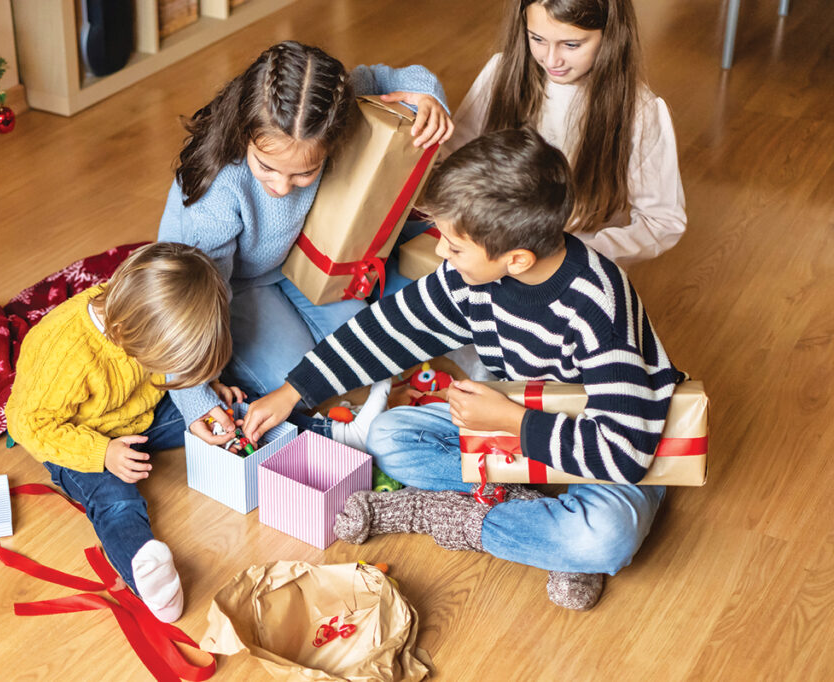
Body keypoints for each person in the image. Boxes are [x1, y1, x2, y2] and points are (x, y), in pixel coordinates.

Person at [243, 128, 685, 611]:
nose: (440, 255)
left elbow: (625, 454)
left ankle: (447, 516)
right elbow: (389, 329)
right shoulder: (469, 278)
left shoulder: (599, 306)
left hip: (605, 447)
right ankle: (537, 524)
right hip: (514, 427)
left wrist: (511, 422)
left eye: (454, 247)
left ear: (515, 259)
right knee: (389, 437)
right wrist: (294, 391)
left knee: (605, 539)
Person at [157, 40, 453, 444]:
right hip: (228, 289)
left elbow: (386, 77)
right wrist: (192, 397)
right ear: (245, 130)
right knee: (292, 380)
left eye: (303, 174)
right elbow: (180, 308)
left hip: (300, 262)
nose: (281, 187)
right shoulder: (216, 197)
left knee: (370, 353)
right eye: (267, 168)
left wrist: (427, 95)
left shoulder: (339, 106)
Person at [387, 0, 686, 379]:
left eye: (571, 45)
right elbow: (453, 156)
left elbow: (663, 222)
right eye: (537, 39)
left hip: (567, 287)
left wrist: (574, 251)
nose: (552, 59)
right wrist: (423, 122)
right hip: (492, 262)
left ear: (611, 35)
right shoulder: (502, 73)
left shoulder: (639, 113)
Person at [5, 242, 234, 623]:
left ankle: (315, 429)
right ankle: (145, 570)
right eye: (168, 361)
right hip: (78, 440)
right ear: (135, 338)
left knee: (223, 413)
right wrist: (104, 454)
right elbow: (29, 424)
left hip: (136, 416)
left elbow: (169, 376)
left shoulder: (143, 316)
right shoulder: (65, 348)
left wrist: (203, 398)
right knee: (116, 501)